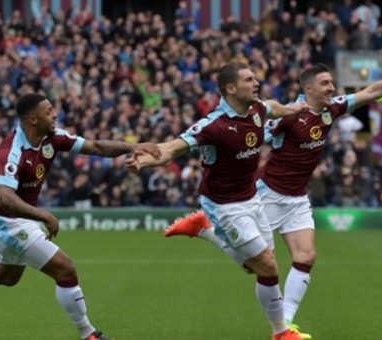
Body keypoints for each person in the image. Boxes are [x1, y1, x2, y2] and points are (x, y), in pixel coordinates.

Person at [165, 51, 382, 335]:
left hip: (297, 198)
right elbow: (250, 137)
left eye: (332, 83)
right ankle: (205, 229)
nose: (332, 88)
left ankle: (285, 326)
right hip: (267, 194)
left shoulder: (333, 108)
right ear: (307, 89)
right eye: (325, 84)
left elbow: (372, 91)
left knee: (306, 256)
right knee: (256, 266)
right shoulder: (288, 117)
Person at [0, 93, 162, 340]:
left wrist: (132, 146)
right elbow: (4, 197)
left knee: (6, 277)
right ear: (32, 119)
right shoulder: (11, 152)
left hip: (16, 221)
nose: (55, 115)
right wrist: (42, 215)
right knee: (65, 269)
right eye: (49, 112)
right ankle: (89, 334)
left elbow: (94, 146)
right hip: (6, 222)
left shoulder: (52, 138)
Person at [125, 62, 309, 340]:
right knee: (268, 266)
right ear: (230, 88)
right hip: (223, 204)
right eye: (249, 79)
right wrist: (144, 161)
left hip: (252, 197)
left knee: (254, 267)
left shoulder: (257, 109)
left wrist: (295, 109)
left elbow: (274, 106)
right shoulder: (214, 125)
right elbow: (174, 147)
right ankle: (281, 332)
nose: (256, 83)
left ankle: (203, 229)